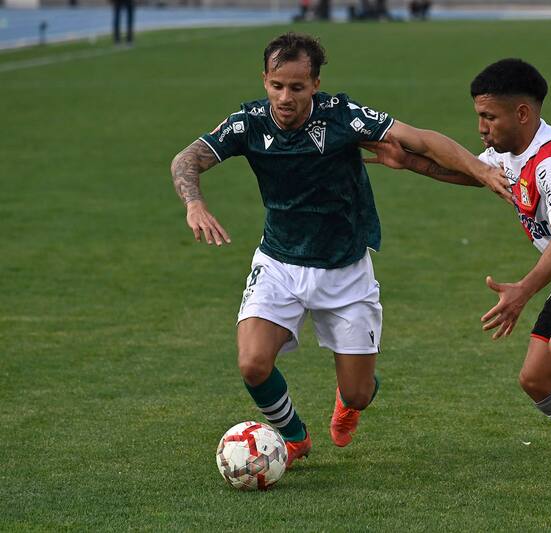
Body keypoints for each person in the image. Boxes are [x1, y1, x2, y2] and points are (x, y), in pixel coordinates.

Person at [170, 33, 508, 469]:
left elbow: (420, 140)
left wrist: (481, 170)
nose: (285, 98)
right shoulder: (248, 122)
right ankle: (294, 437)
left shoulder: (342, 116)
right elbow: (186, 159)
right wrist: (194, 203)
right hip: (279, 263)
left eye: (297, 87)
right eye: (277, 85)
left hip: (345, 270)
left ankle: (350, 398)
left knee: (358, 393)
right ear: (265, 80)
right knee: (252, 363)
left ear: (315, 84)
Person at [364, 58, 551, 495]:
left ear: (522, 113)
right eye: (478, 116)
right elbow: (475, 174)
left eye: (489, 117)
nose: (481, 128)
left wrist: (522, 291)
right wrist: (409, 161)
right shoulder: (511, 154)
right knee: (536, 378)